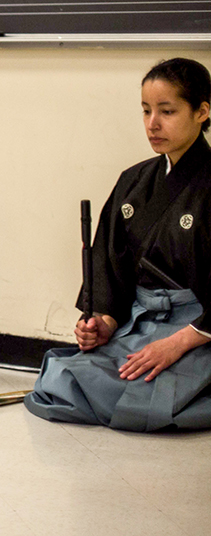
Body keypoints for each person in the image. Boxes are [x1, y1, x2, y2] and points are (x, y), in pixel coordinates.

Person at [25, 58, 211, 431]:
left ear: (202, 112)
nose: (152, 124)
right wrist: (105, 320)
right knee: (62, 376)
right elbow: (112, 266)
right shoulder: (135, 181)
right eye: (145, 111)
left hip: (198, 329)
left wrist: (176, 343)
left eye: (167, 111)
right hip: (141, 322)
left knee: (153, 396)